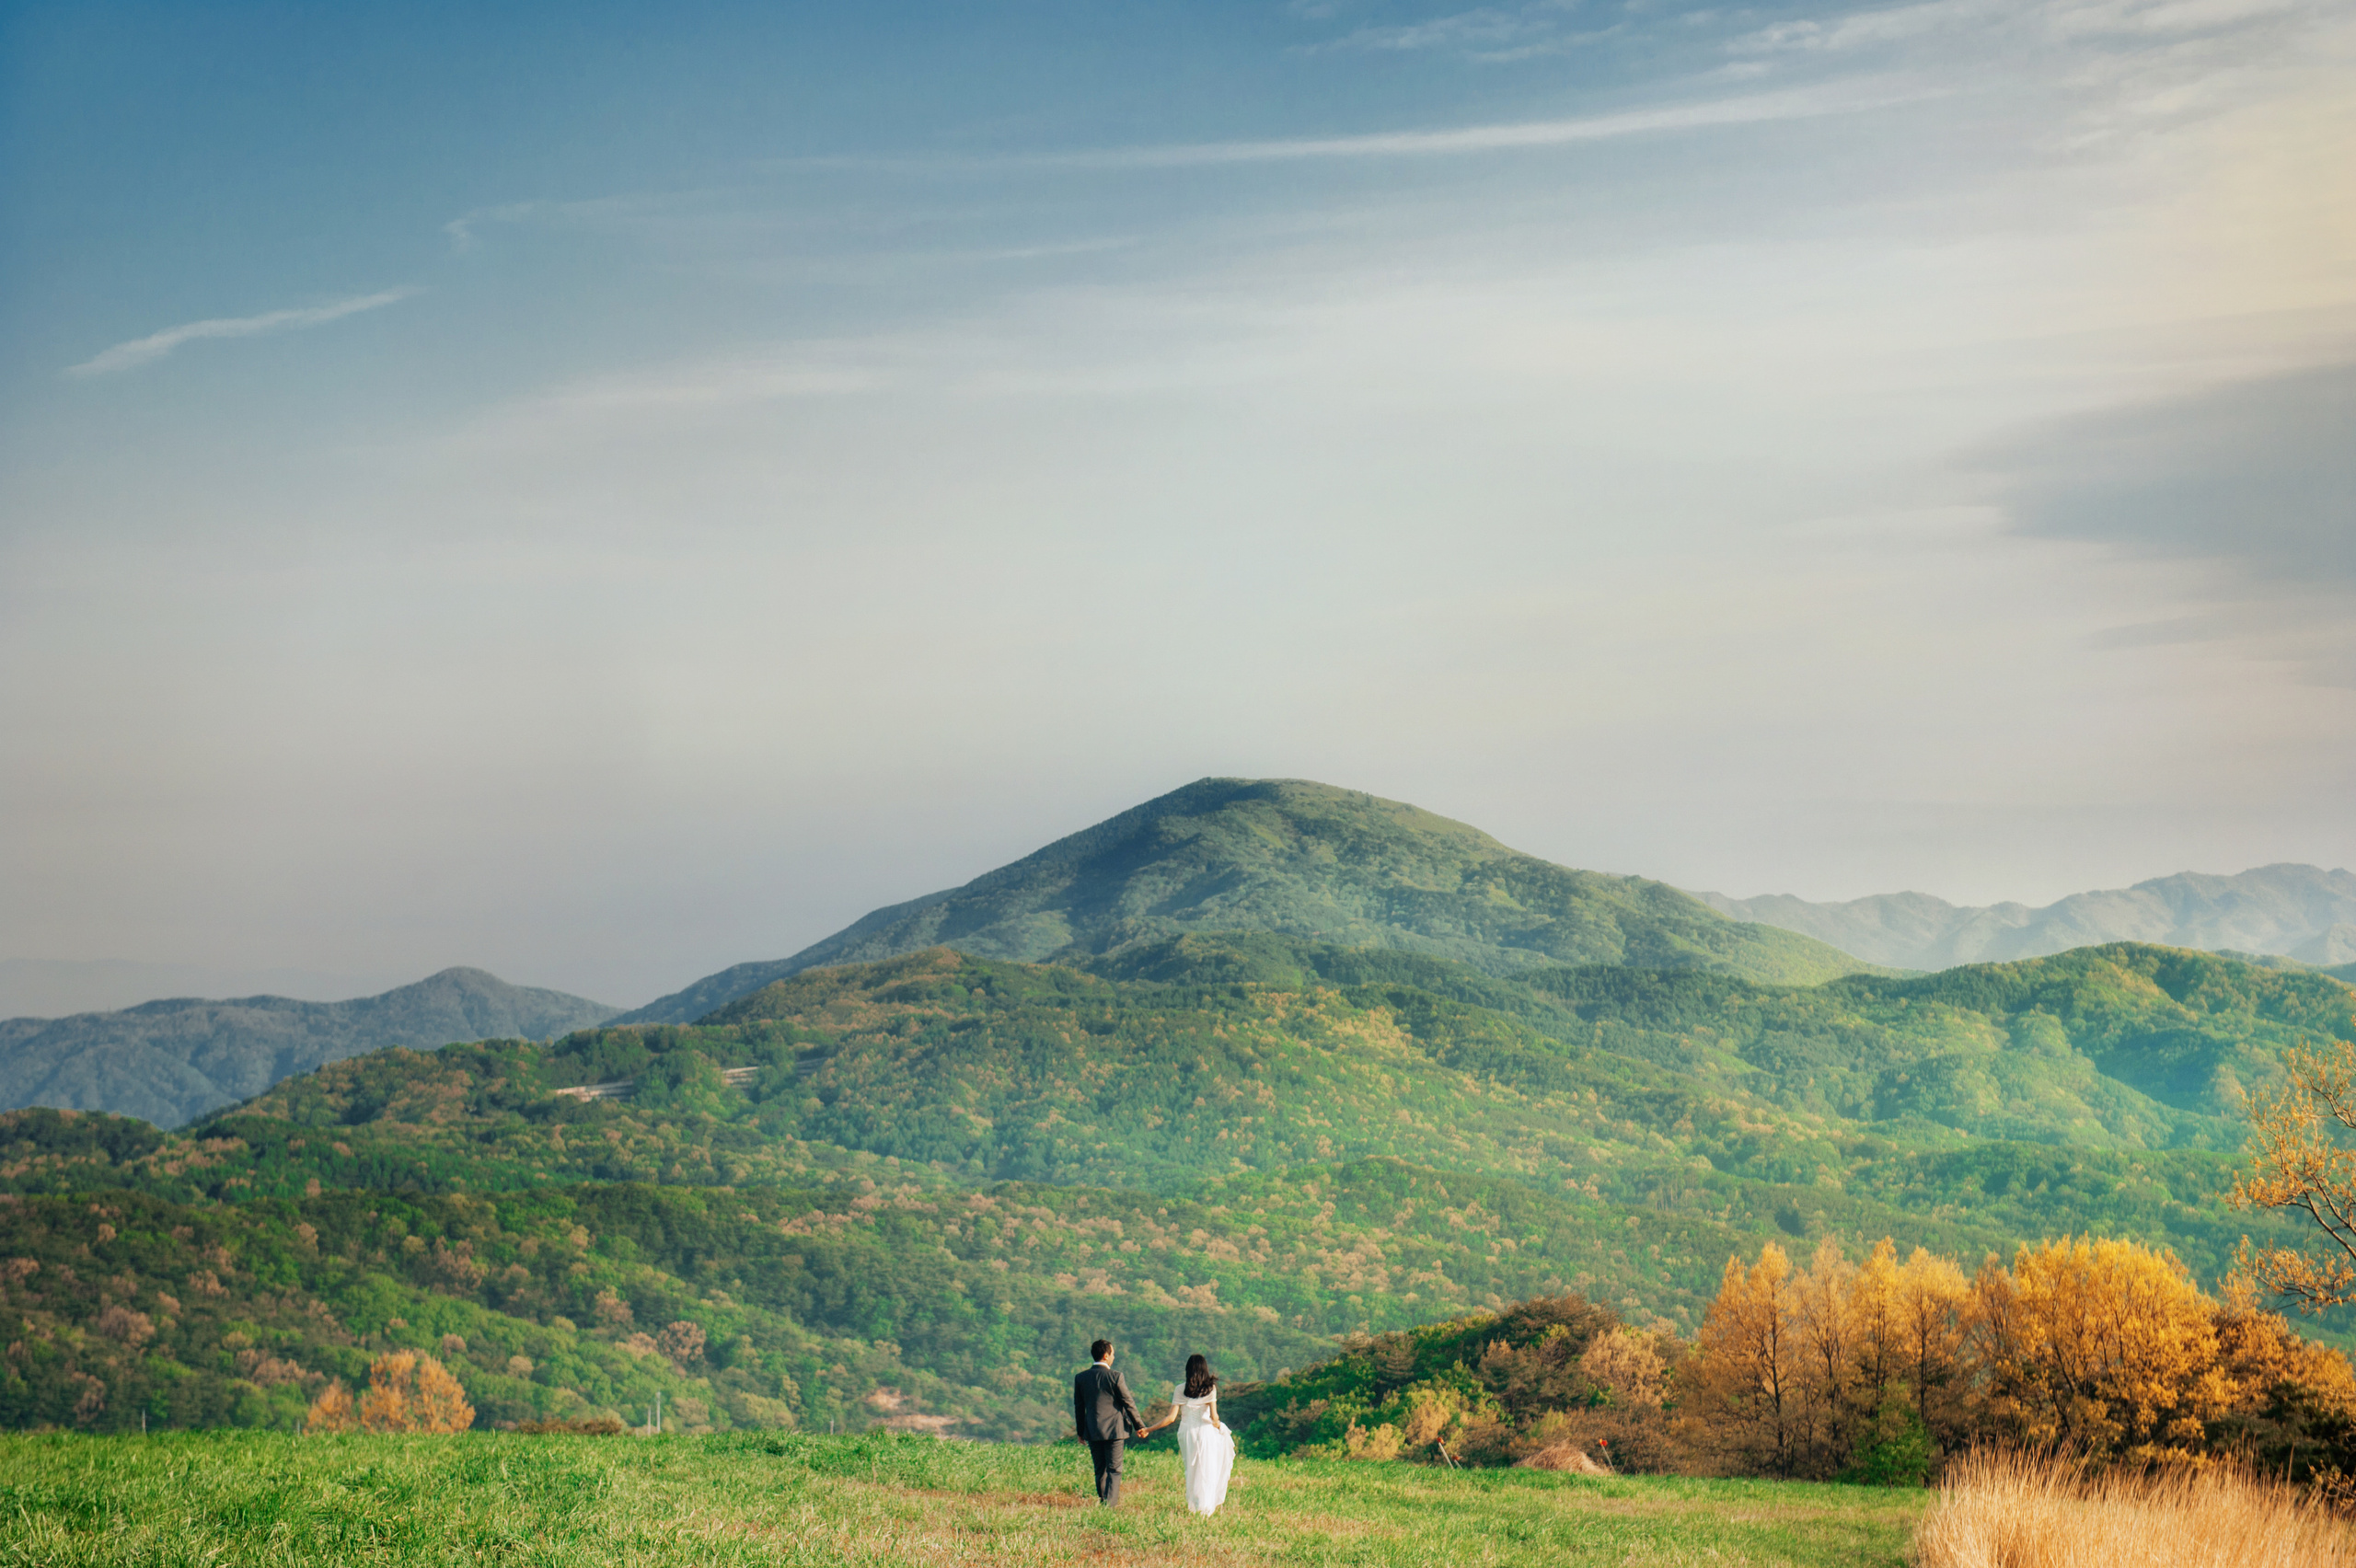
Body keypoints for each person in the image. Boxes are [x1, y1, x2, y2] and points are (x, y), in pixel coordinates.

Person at [1135, 1353, 1234, 1516]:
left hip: (1187, 1432)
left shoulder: (1181, 1389)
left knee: (1191, 1468)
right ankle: (1204, 1508)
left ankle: (1194, 1504)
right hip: (1205, 1432)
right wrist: (1219, 1426)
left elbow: (1171, 1418)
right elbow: (1214, 1417)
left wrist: (1148, 1429)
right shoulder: (1210, 1388)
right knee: (1206, 1469)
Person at [1072, 1338, 1146, 1506]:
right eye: (1113, 1354)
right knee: (1114, 1469)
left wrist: (1080, 1431)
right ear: (1106, 1356)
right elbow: (1128, 1402)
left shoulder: (1081, 1378)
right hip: (1115, 1430)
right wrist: (1139, 1426)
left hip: (1092, 1430)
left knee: (1100, 1469)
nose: (1114, 1357)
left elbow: (1079, 1407)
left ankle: (1104, 1500)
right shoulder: (1115, 1376)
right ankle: (1110, 1505)